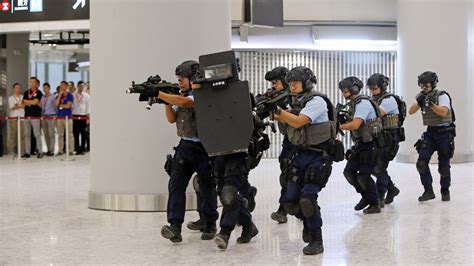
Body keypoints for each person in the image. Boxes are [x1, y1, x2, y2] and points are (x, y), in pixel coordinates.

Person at [273, 66, 336, 255]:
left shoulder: (317, 101)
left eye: (295, 83)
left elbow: (300, 121)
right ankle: (309, 222)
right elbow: (288, 125)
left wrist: (279, 111)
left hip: (318, 156)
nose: (292, 87)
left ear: (307, 83)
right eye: (290, 83)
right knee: (290, 202)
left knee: (307, 198)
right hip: (300, 155)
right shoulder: (294, 102)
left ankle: (317, 239)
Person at [159, 61, 218, 243]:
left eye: (182, 79)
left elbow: (186, 102)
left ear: (193, 78)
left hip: (205, 148)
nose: (179, 82)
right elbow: (171, 119)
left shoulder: (204, 95)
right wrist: (165, 101)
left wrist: (160, 93)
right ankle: (174, 226)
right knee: (175, 185)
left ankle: (209, 224)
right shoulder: (180, 95)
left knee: (206, 187)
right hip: (185, 147)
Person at [339, 76, 383, 214]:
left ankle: (374, 203)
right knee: (349, 172)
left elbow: (356, 124)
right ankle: (366, 197)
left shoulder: (362, 103)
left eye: (346, 91)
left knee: (363, 175)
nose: (344, 94)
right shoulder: (353, 104)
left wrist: (338, 126)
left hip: (371, 144)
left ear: (354, 89)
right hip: (360, 144)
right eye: (343, 91)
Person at [409, 71, 455, 202]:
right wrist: (420, 101)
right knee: (421, 163)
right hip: (430, 133)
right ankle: (428, 191)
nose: (424, 88)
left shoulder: (442, 95)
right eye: (422, 85)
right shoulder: (422, 96)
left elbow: (443, 112)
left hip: (445, 132)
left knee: (444, 166)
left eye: (426, 86)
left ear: (433, 84)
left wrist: (431, 104)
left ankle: (445, 190)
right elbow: (411, 111)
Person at [258, 66, 294, 224]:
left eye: (275, 82)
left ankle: (283, 209)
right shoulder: (277, 96)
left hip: (300, 141)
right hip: (289, 139)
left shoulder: (294, 97)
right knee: (287, 172)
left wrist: (279, 111)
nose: (273, 85)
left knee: (291, 174)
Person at [367, 74, 404, 206]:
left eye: (375, 88)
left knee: (379, 167)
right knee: (375, 167)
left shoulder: (389, 100)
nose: (372, 90)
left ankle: (380, 195)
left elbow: (376, 114)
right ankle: (392, 189)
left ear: (382, 86)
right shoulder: (374, 99)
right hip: (378, 137)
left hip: (389, 139)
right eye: (370, 88)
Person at [22, 77, 43, 158]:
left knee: (36, 134)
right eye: (31, 82)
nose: (32, 83)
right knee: (27, 134)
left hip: (35, 116)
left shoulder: (39, 92)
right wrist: (30, 102)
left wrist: (28, 102)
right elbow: (23, 102)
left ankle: (40, 151)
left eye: (34, 82)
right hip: (27, 115)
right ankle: (27, 152)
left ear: (37, 83)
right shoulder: (26, 92)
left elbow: (35, 102)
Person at [55, 81, 75, 156]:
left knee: (69, 134)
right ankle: (60, 150)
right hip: (60, 117)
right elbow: (56, 104)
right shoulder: (58, 96)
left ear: (66, 87)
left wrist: (60, 105)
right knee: (60, 134)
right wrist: (60, 95)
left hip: (68, 117)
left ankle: (71, 150)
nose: (61, 87)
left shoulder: (70, 95)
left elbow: (68, 106)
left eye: (63, 85)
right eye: (60, 85)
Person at [72, 81, 90, 155]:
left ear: (84, 87)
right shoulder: (73, 95)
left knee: (83, 134)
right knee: (75, 134)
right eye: (79, 86)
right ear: (77, 86)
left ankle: (82, 149)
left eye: (82, 86)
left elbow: (88, 107)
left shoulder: (87, 96)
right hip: (75, 116)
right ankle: (76, 149)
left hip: (83, 116)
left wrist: (88, 118)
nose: (81, 87)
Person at [7, 83, 25, 155]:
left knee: (22, 135)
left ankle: (22, 151)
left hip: (22, 118)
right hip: (13, 118)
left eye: (19, 88)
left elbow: (25, 106)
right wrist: (20, 105)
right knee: (13, 135)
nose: (18, 89)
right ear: (13, 89)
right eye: (16, 87)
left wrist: (18, 105)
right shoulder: (10, 98)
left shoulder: (23, 97)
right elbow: (12, 107)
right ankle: (12, 151)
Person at [40, 83, 57, 156]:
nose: (45, 89)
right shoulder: (42, 97)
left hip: (51, 117)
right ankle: (48, 149)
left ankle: (52, 150)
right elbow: (42, 107)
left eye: (46, 88)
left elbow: (56, 106)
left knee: (51, 134)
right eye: (44, 88)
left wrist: (56, 116)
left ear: (49, 88)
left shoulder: (53, 97)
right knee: (46, 134)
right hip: (44, 117)